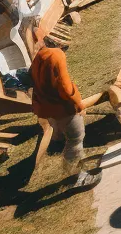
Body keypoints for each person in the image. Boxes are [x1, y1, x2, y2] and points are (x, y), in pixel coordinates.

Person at [30, 38, 99, 187]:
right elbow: (65, 87)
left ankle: (59, 150)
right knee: (75, 140)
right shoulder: (56, 55)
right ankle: (76, 178)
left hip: (48, 108)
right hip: (63, 108)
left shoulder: (38, 58)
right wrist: (78, 104)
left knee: (63, 134)